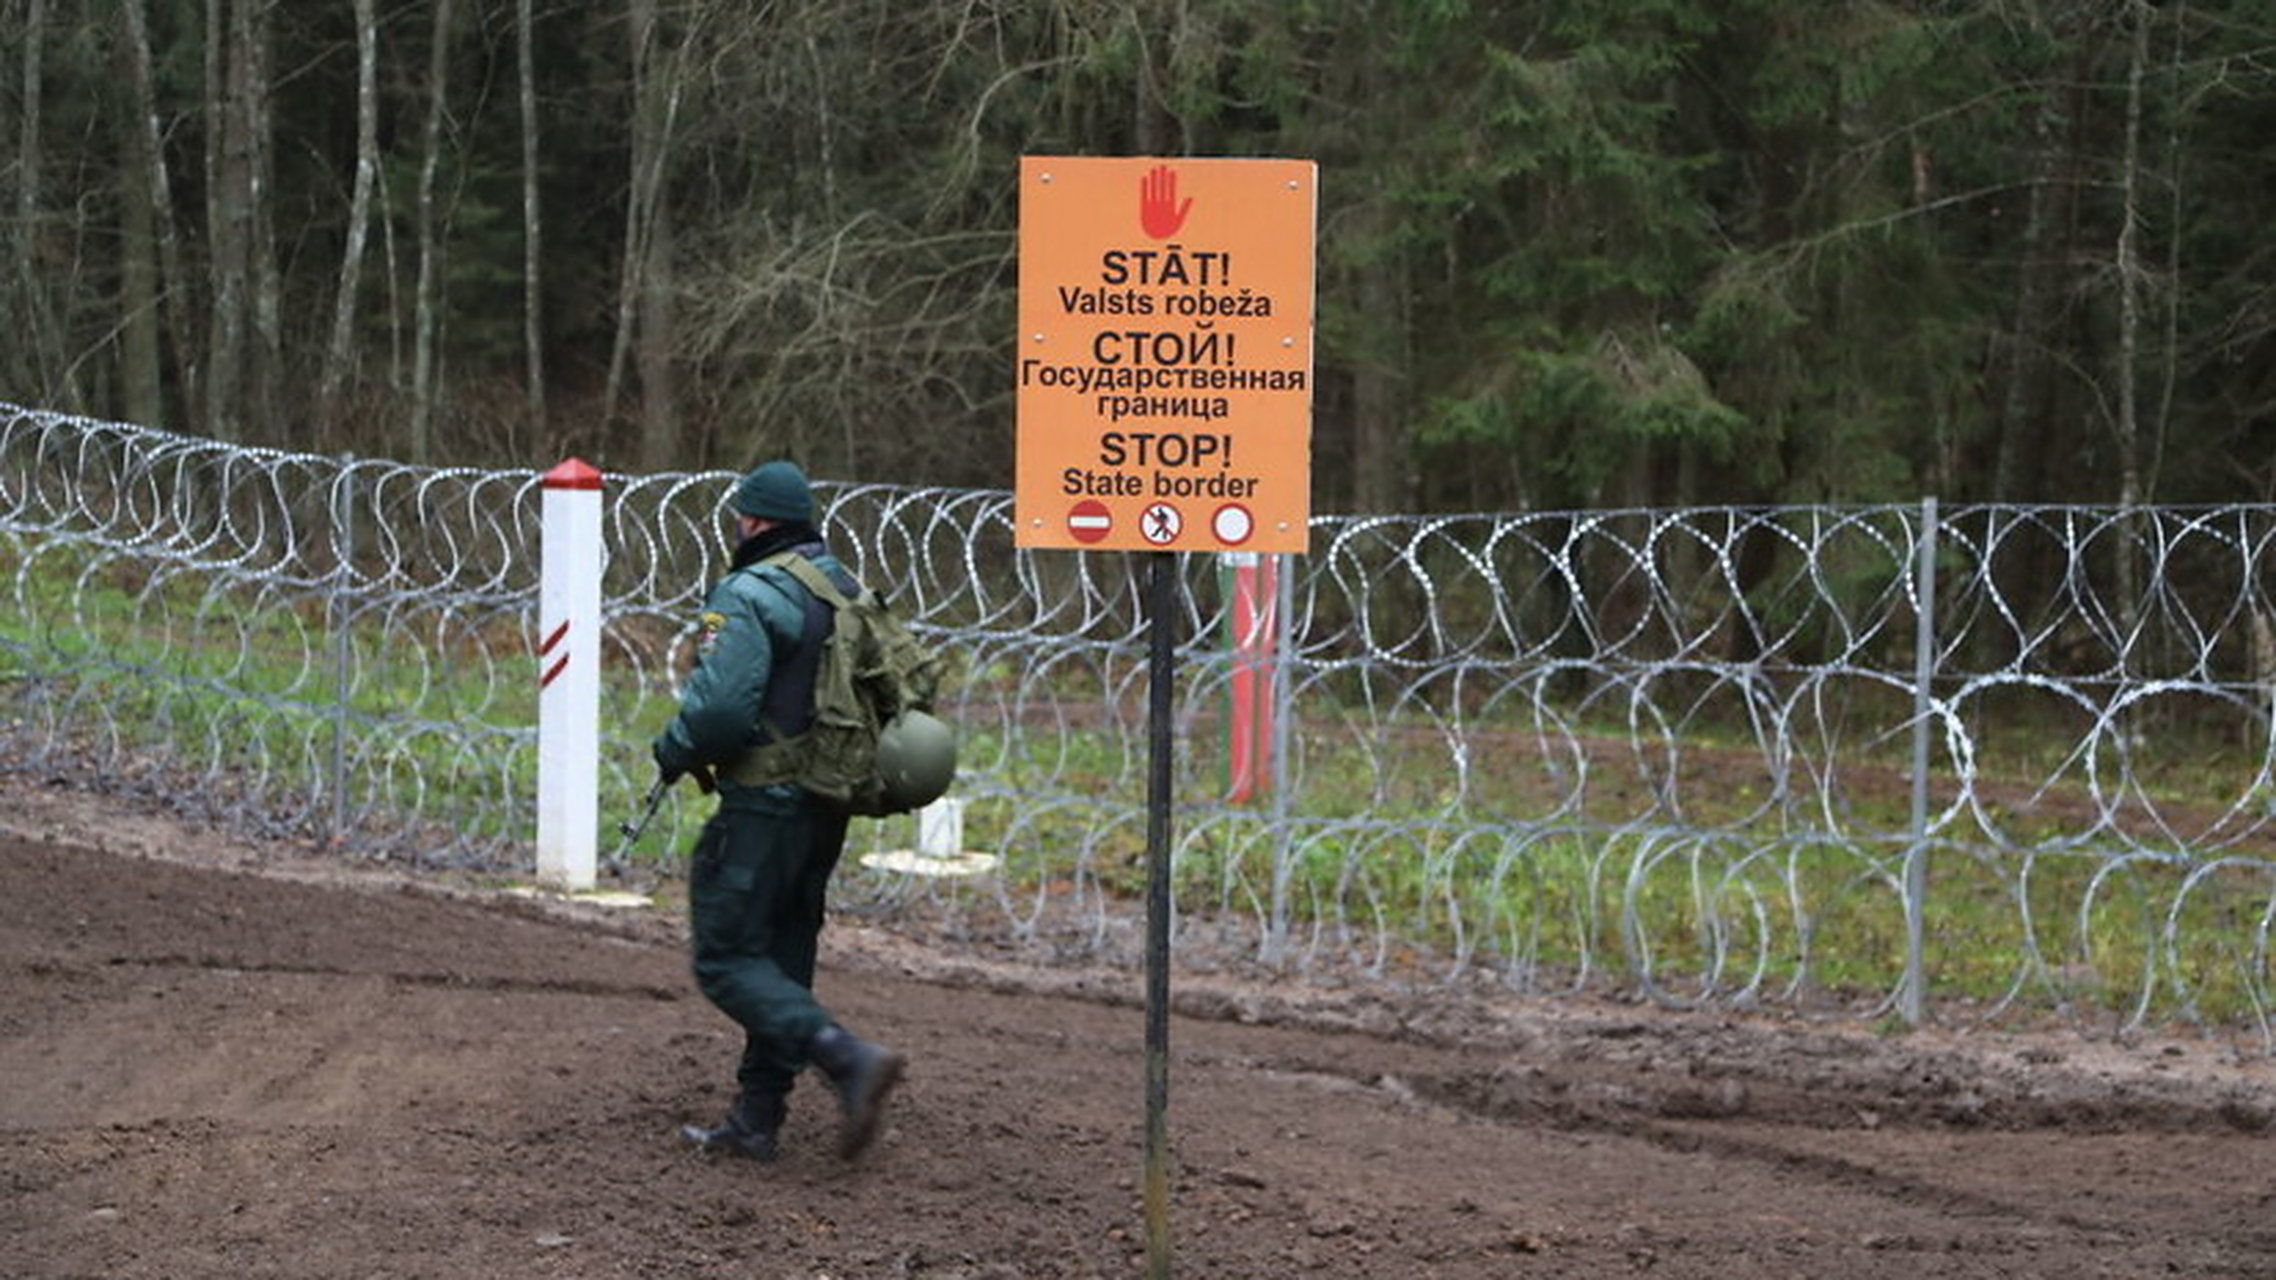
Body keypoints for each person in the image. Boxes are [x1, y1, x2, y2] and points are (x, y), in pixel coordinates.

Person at [652, 459, 904, 1163]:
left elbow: (721, 712)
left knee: (728, 957)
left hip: (765, 802)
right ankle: (757, 1119)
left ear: (753, 521)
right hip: (829, 799)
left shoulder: (749, 592)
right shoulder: (844, 590)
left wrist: (673, 746)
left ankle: (847, 1058)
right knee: (784, 958)